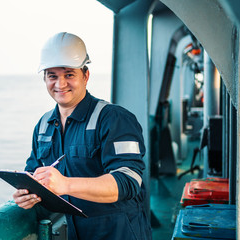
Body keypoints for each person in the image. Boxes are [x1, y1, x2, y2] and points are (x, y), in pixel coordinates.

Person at [13, 32, 152, 240]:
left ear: (85, 76)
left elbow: (129, 181)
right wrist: (26, 195)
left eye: (69, 74)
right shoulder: (42, 126)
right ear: (44, 79)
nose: (60, 84)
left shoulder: (115, 118)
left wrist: (66, 184)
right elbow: (33, 175)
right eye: (52, 76)